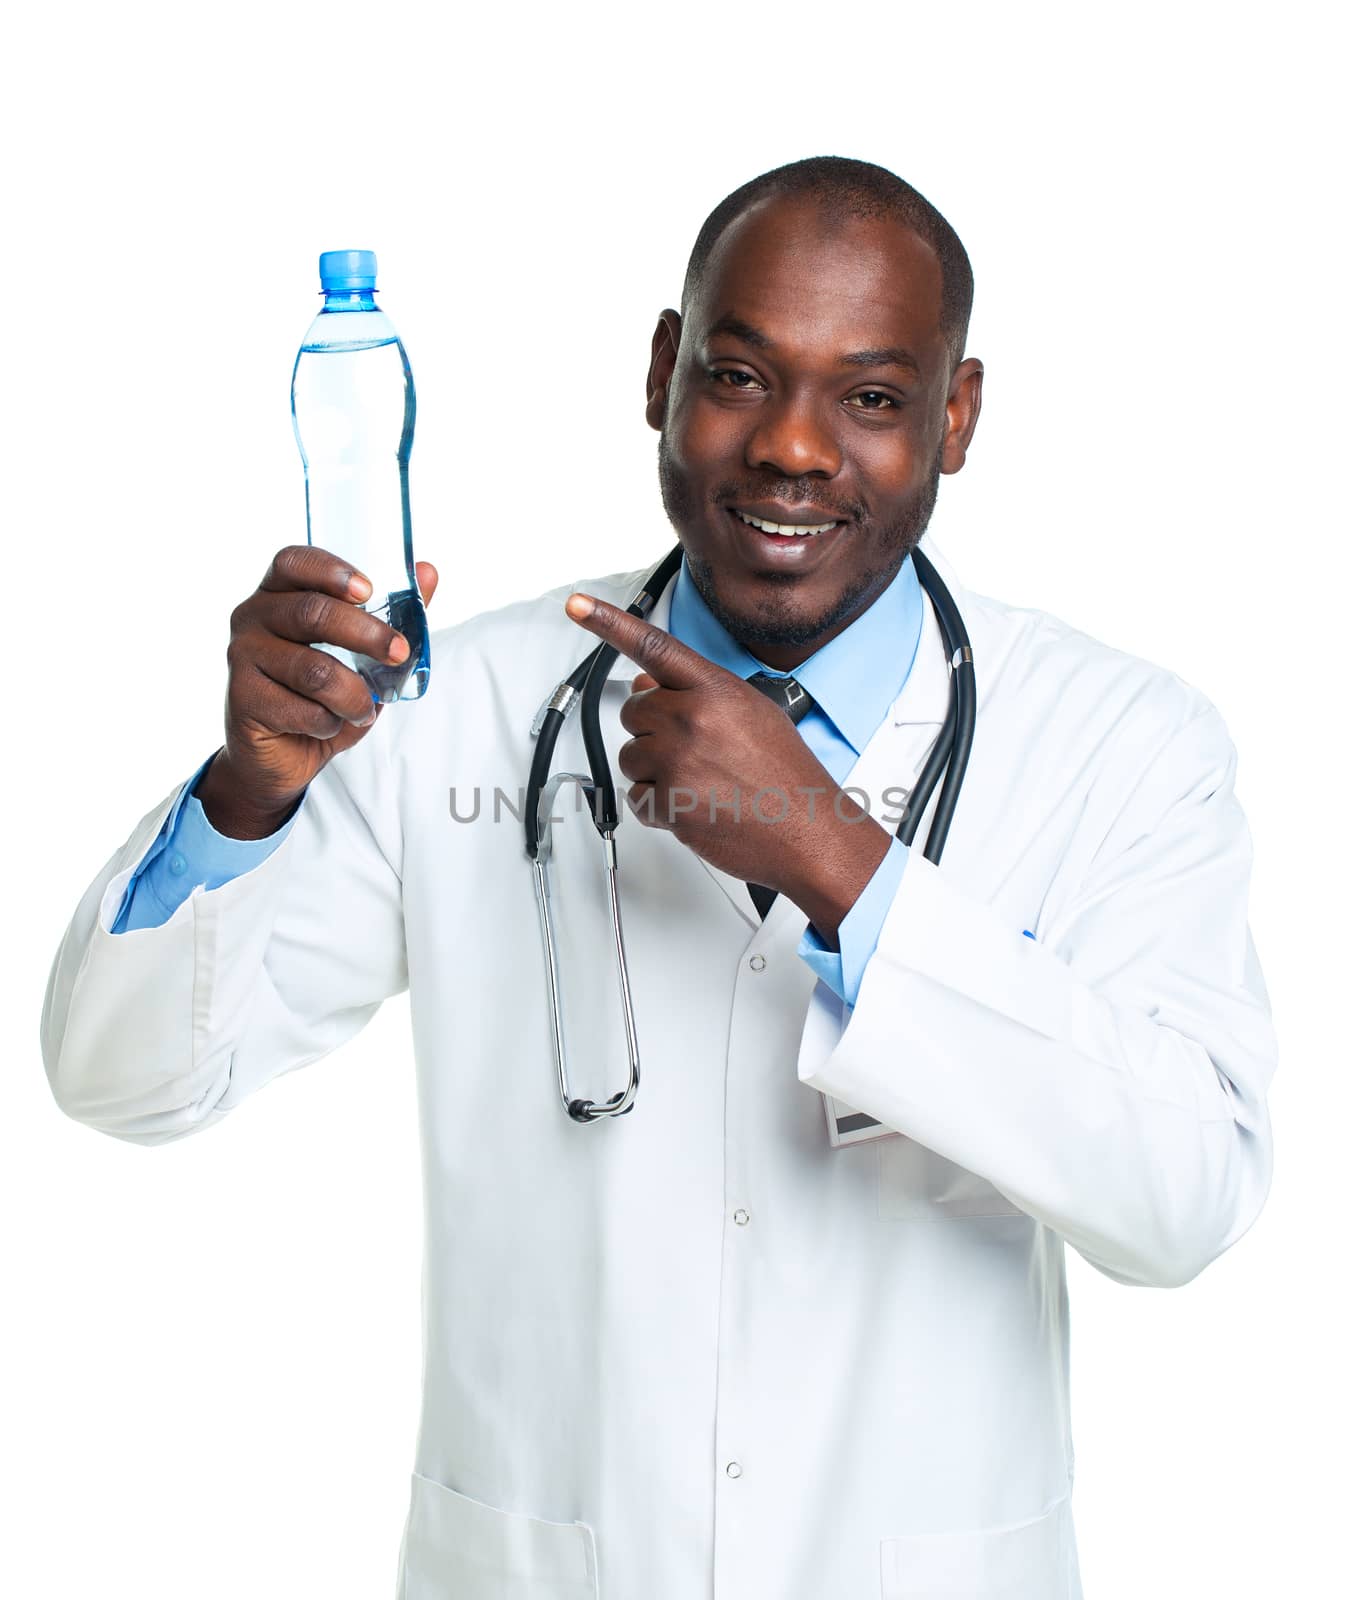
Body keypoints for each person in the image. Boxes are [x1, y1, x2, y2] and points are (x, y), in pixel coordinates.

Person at [40, 157, 1277, 1600]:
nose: (794, 449)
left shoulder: (1125, 743)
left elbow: (1186, 1199)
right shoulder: (459, 703)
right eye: (741, 376)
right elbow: (120, 1079)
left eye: (872, 397)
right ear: (661, 373)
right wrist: (251, 786)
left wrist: (835, 858)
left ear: (956, 414)